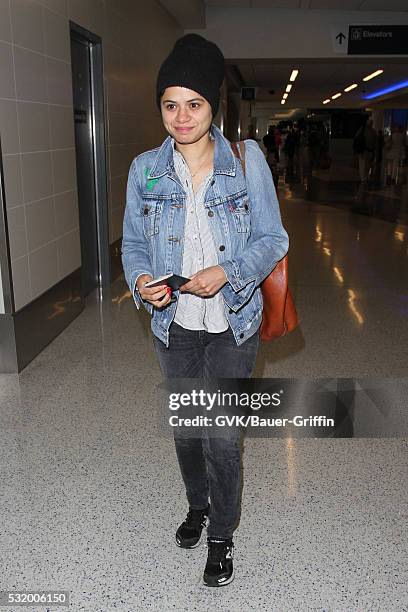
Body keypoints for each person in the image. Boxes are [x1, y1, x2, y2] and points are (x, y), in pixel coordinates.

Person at [121, 34, 289, 587]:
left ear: (212, 105)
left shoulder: (246, 161)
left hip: (232, 321)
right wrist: (143, 279)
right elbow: (134, 246)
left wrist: (230, 272)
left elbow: (273, 239)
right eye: (170, 104)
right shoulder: (145, 169)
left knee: (220, 435)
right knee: (188, 431)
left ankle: (222, 534)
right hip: (175, 326)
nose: (181, 116)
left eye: (193, 103)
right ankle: (198, 504)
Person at [353, 118, 377, 183]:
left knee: (362, 164)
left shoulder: (362, 130)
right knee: (367, 164)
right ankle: (365, 177)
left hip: (363, 150)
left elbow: (356, 138)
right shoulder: (373, 131)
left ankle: (363, 177)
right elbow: (375, 142)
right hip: (369, 150)